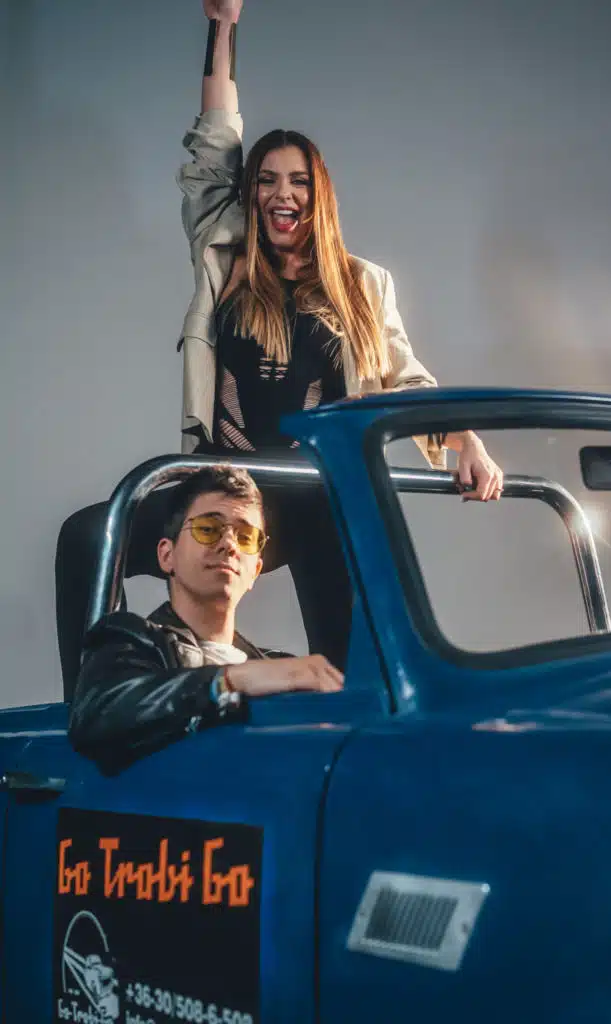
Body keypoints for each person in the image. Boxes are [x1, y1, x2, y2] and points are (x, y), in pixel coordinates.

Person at [55, 0, 502, 697]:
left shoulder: (362, 284)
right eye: (266, 179)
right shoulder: (224, 254)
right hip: (224, 486)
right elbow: (214, 143)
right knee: (90, 535)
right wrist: (223, 25)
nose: (280, 193)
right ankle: (96, 702)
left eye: (296, 181)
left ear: (318, 196)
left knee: (346, 647)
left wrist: (466, 438)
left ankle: (354, 720)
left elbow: (405, 379)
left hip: (310, 492)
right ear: (251, 193)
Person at [69, 466, 343, 768]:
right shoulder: (128, 642)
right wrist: (229, 681)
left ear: (255, 570)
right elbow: (99, 712)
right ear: (167, 555)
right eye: (208, 529)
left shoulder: (278, 667)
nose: (229, 545)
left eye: (245, 537)